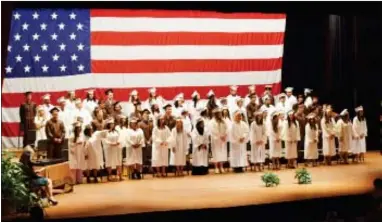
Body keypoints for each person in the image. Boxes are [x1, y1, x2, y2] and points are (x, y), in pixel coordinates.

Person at [210, 108, 229, 174]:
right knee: (216, 153)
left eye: (220, 113)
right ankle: (216, 167)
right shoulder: (212, 122)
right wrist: (220, 136)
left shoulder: (223, 121)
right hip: (216, 140)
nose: (220, 114)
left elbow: (227, 128)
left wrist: (225, 135)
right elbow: (213, 131)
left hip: (223, 139)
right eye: (219, 113)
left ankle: (221, 166)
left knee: (222, 153)